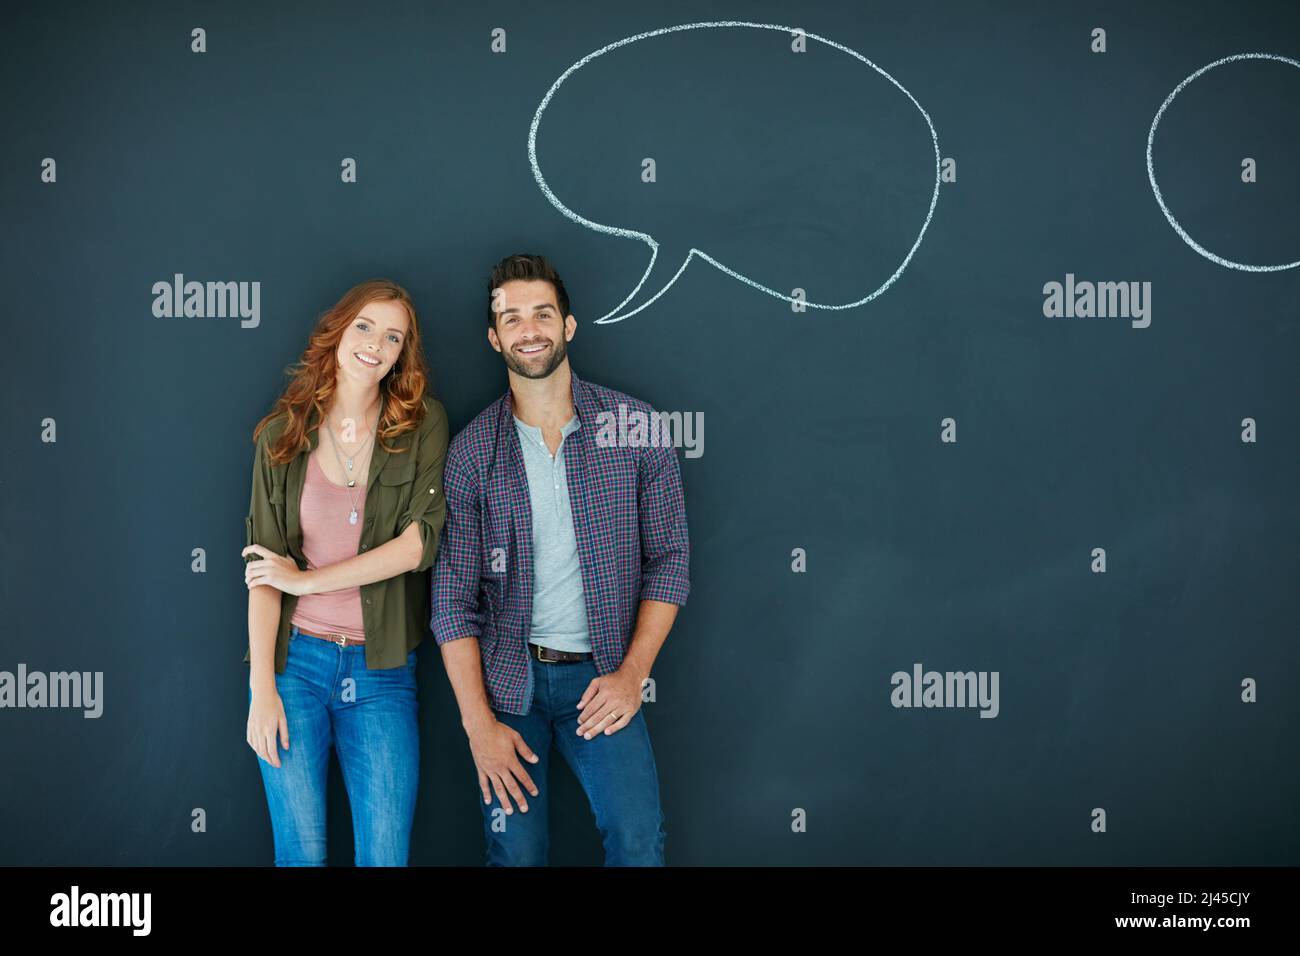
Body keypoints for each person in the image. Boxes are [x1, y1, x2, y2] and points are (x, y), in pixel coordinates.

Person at [432, 253, 690, 866]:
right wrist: (478, 728)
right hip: (507, 687)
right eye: (512, 318)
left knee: (638, 843)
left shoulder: (637, 430)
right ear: (494, 338)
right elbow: (451, 603)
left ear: (568, 326)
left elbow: (670, 561)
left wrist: (633, 674)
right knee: (515, 855)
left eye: (543, 313)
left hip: (601, 679)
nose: (530, 329)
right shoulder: (471, 453)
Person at [242, 278, 449, 866]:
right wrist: (262, 691)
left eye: (392, 336)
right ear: (337, 331)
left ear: (401, 353)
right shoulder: (281, 436)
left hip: (381, 670)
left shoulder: (422, 424)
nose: (375, 345)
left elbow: (416, 547)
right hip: (293, 666)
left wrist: (305, 580)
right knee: (299, 855)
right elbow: (263, 573)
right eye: (364, 327)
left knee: (384, 858)